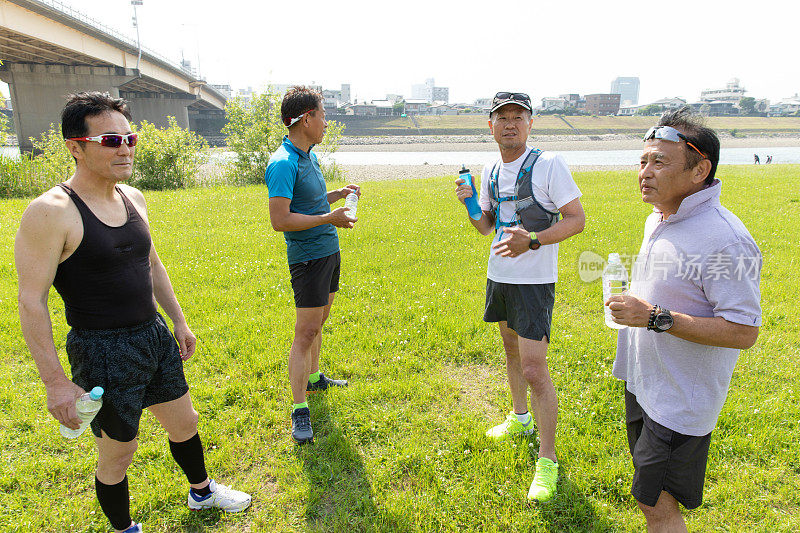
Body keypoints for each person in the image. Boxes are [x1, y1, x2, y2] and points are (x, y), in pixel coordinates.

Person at [14, 92, 251, 533]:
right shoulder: (50, 212)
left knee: (186, 422)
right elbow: (31, 300)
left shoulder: (133, 197)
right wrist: (55, 384)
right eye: (111, 139)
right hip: (102, 349)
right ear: (76, 145)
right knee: (119, 454)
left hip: (152, 335)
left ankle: (201, 491)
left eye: (131, 138)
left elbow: (151, 263)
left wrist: (177, 320)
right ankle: (125, 529)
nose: (125, 148)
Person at [607, 106, 761, 532]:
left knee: (657, 505)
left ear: (699, 171)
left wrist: (655, 317)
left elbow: (745, 331)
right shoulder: (659, 218)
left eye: (659, 162)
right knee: (650, 497)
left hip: (679, 400)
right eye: (642, 160)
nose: (645, 172)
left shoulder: (726, 240)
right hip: (645, 382)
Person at [454, 91, 585, 501]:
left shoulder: (549, 165)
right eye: (502, 117)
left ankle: (547, 461)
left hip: (533, 281)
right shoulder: (491, 166)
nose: (510, 123)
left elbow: (577, 220)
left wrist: (533, 241)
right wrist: (470, 204)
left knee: (534, 369)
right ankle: (520, 417)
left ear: (530, 123)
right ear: (489, 125)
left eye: (518, 116)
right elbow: (486, 227)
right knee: (510, 353)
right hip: (500, 276)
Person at [265, 86, 360, 445]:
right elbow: (280, 219)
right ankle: (299, 409)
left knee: (320, 320)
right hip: (306, 258)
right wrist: (328, 218)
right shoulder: (283, 162)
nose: (325, 123)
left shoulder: (308, 156)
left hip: (327, 251)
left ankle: (316, 377)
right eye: (322, 116)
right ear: (306, 119)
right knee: (305, 332)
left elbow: (308, 202)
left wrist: (335, 197)